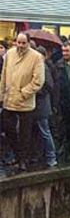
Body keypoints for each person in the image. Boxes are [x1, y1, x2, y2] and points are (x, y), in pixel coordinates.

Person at [0, 33, 45, 171]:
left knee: (25, 134)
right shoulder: (9, 54)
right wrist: (1, 95)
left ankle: (23, 160)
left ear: (28, 43)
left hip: (25, 101)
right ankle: (18, 155)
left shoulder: (36, 57)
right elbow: (4, 75)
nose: (20, 45)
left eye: (23, 43)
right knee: (8, 129)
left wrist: (24, 93)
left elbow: (38, 81)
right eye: (18, 42)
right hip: (9, 99)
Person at [34, 46, 57, 168]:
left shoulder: (43, 67)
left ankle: (51, 157)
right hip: (36, 104)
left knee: (44, 131)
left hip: (42, 104)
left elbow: (49, 85)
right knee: (39, 131)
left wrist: (36, 91)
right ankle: (42, 155)